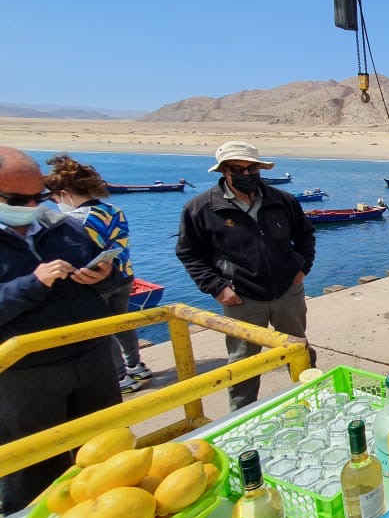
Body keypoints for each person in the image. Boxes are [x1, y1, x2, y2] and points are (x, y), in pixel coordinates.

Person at [0, 146, 123, 514]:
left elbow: (108, 280)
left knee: (110, 455)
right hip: (26, 375)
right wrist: (32, 284)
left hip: (92, 360)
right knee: (37, 472)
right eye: (19, 199)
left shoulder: (63, 225)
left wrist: (105, 277)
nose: (32, 205)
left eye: (38, 196)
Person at [176, 141, 317, 411]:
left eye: (252, 168)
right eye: (237, 169)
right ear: (224, 172)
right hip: (242, 299)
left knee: (299, 349)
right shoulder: (201, 208)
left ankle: (311, 402)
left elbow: (305, 236)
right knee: (243, 363)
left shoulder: (282, 201)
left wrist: (301, 270)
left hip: (288, 293)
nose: (246, 173)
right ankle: (241, 416)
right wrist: (218, 288)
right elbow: (189, 253)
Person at [43, 154, 152, 394]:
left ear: (64, 193)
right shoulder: (113, 209)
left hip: (95, 281)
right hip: (124, 275)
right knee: (123, 323)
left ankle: (121, 377)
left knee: (104, 331)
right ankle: (136, 366)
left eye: (53, 197)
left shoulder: (75, 220)